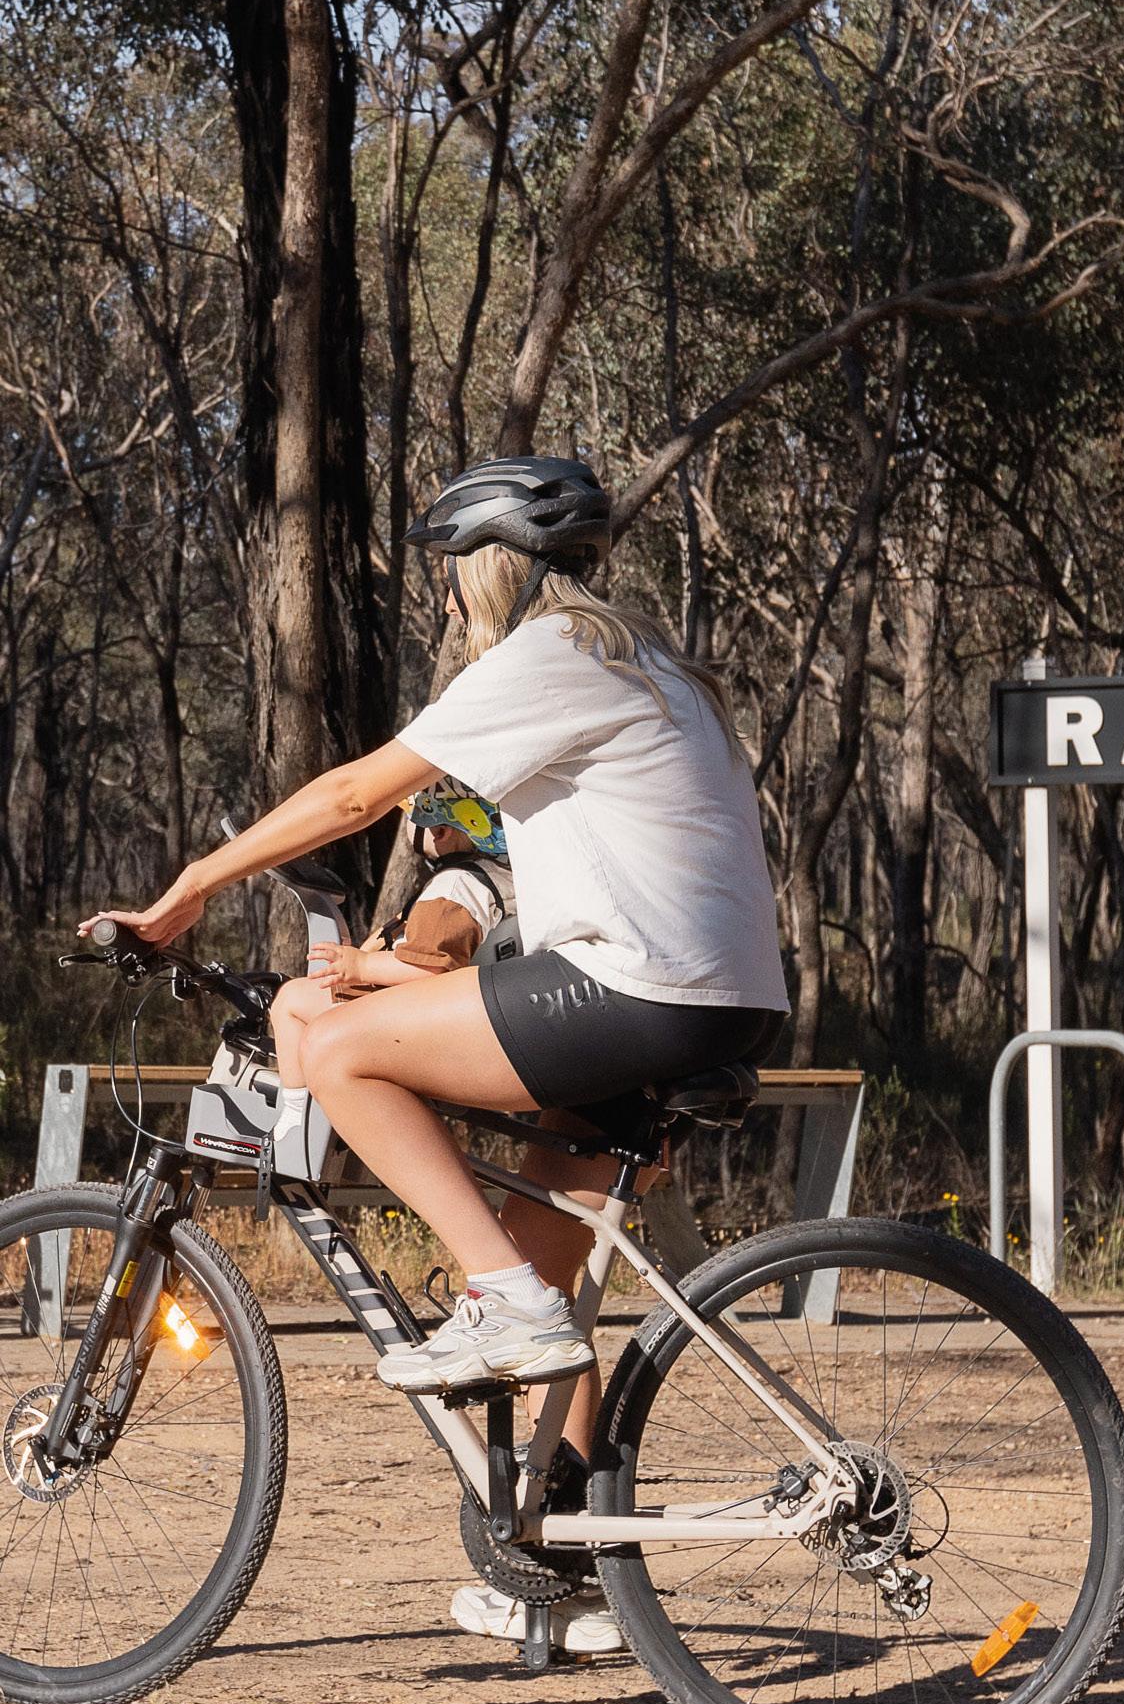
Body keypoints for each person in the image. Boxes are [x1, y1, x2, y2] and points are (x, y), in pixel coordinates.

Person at [88, 449, 787, 1444]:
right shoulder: (647, 657)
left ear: (493, 565)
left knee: (338, 1048)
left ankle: (505, 1302)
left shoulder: (551, 655)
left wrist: (190, 887)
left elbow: (353, 796)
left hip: (640, 991)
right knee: (538, 1271)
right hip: (723, 1002)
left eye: (450, 576)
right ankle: (561, 1532)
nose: (448, 603)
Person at [268, 781, 516, 1153]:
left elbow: (430, 970)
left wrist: (363, 965)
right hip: (458, 1021)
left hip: (413, 1018)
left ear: (440, 830)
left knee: (290, 1001)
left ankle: (295, 1120)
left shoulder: (454, 888)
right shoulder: (497, 880)